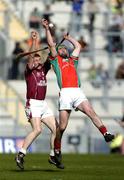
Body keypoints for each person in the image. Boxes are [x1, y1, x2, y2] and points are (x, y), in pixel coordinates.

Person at [41, 19, 114, 169]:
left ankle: (105, 133)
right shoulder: (56, 61)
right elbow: (51, 45)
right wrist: (47, 29)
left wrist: (69, 39)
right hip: (66, 93)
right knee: (62, 127)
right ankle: (56, 152)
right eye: (61, 48)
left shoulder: (73, 61)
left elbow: (78, 46)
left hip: (77, 91)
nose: (64, 50)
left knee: (90, 111)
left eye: (64, 48)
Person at [15, 30, 57, 170]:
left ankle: (52, 155)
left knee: (56, 129)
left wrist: (52, 46)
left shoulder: (43, 70)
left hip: (43, 104)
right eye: (35, 60)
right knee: (37, 129)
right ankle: (21, 154)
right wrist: (34, 41)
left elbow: (52, 55)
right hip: (32, 103)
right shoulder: (29, 71)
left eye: (39, 59)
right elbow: (32, 55)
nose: (37, 61)